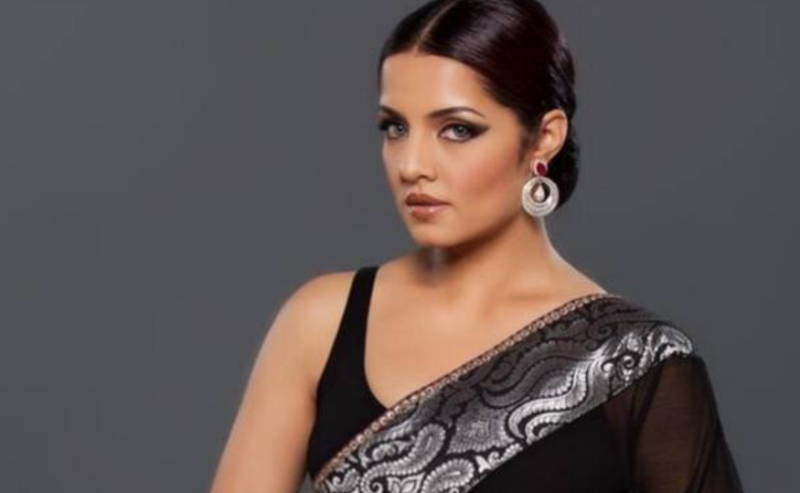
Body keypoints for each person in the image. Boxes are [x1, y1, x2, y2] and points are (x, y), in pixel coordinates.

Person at [209, 1, 745, 492]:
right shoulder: (321, 322)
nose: (412, 165)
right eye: (395, 128)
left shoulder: (638, 363)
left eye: (458, 130)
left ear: (544, 137)